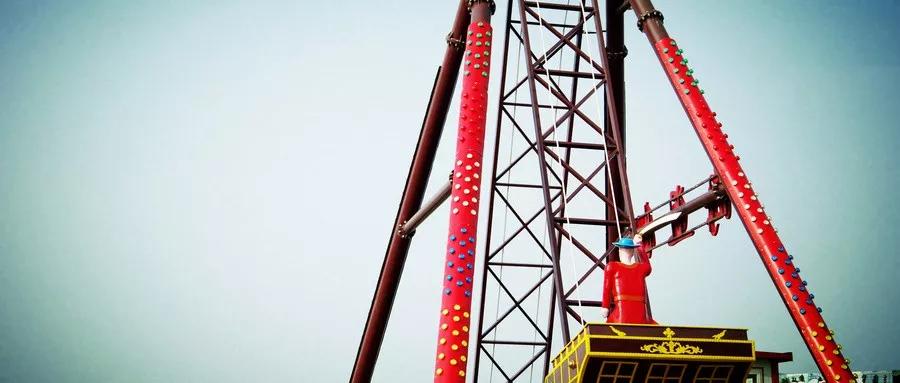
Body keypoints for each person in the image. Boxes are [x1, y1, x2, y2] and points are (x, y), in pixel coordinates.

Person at [600, 234, 657, 324]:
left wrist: (605, 307)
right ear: (633, 250)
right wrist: (639, 245)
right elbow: (648, 267)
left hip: (621, 315)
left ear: (620, 250)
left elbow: (606, 289)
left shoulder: (612, 267)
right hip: (641, 316)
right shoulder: (640, 268)